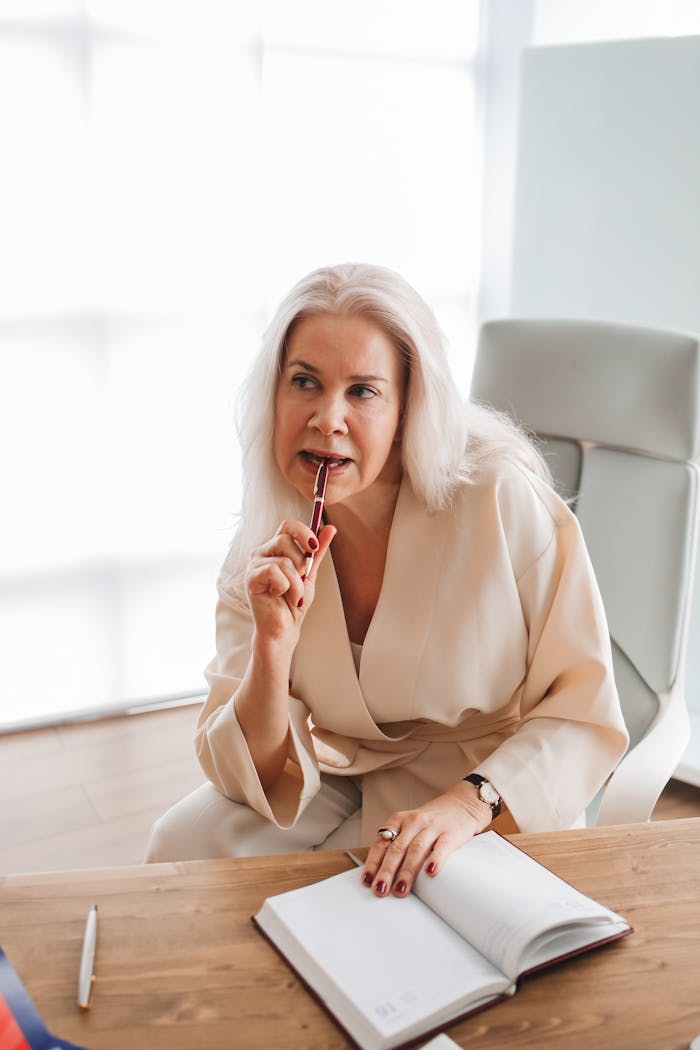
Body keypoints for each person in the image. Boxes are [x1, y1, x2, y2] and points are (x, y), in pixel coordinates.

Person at [146, 262, 629, 899]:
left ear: (407, 408)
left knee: (424, 925)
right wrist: (271, 648)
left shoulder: (500, 499)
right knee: (182, 843)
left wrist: (466, 805)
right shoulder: (266, 536)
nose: (327, 418)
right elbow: (254, 774)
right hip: (348, 770)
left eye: (363, 391)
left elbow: (581, 709)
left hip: (492, 786)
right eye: (305, 383)